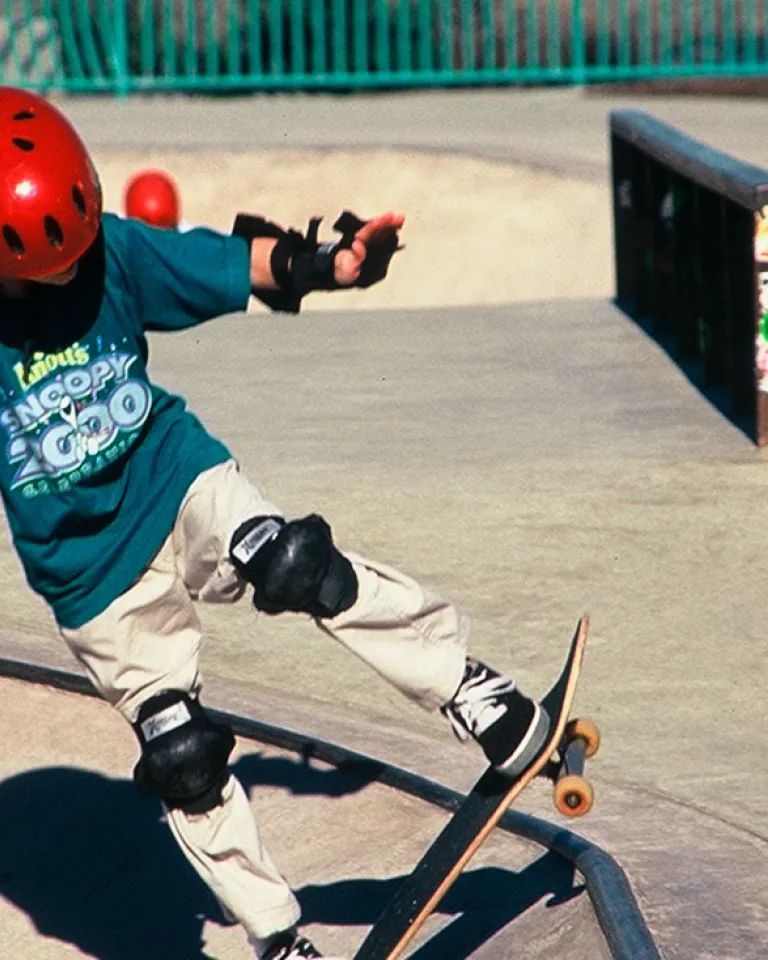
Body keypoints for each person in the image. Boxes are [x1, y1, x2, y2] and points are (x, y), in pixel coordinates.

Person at [0, 86, 550, 960]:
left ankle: (473, 689)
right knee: (183, 756)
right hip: (91, 580)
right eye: (46, 269)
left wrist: (329, 265)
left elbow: (226, 263)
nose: (72, 274)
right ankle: (278, 936)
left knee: (293, 562)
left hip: (176, 480)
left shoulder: (114, 254)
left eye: (76, 253)